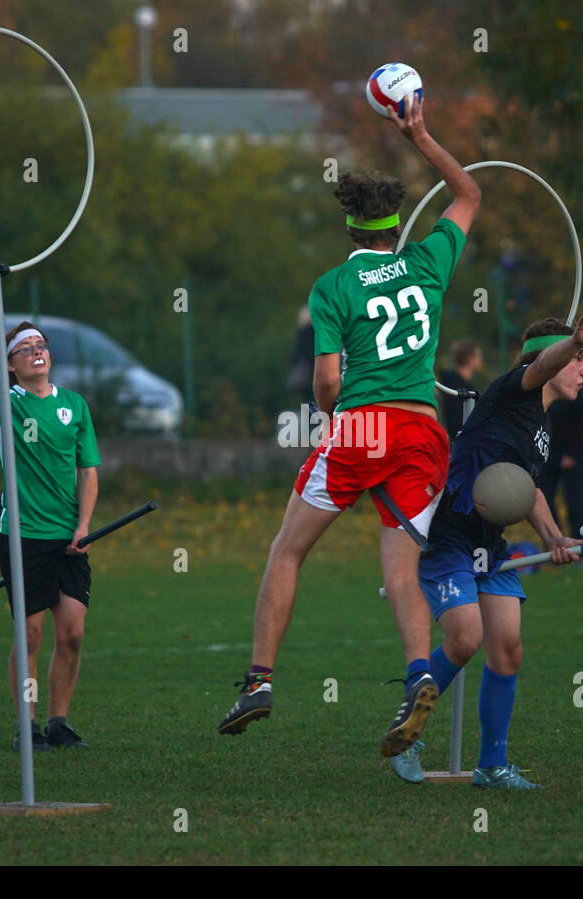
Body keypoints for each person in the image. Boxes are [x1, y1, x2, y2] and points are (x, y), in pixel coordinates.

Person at [216, 92, 481, 758]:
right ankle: (420, 673)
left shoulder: (334, 286)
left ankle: (259, 681)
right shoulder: (427, 262)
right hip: (425, 431)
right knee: (401, 564)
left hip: (363, 426)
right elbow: (470, 193)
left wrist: (334, 420)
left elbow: (327, 380)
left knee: (289, 548)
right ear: (397, 224)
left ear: (353, 230)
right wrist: (420, 134)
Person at [392, 309, 583, 788]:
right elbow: (537, 368)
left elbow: (528, 491)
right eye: (578, 358)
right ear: (551, 361)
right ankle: (407, 735)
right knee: (465, 637)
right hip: (450, 534)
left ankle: (491, 765)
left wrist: (553, 537)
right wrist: (571, 341)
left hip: (489, 545)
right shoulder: (512, 393)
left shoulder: (542, 426)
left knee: (508, 649)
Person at [0, 305, 101, 752]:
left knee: (72, 633)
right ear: (11, 364)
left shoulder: (74, 406)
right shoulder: (2, 403)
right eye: (25, 350)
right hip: (22, 536)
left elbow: (88, 469)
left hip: (69, 537)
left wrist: (84, 526)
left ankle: (58, 722)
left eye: (41, 347)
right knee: (30, 635)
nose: (36, 353)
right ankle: (27, 726)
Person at [540, 376, 583, 546]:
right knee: (545, 499)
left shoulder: (579, 388)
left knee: (574, 501)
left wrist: (572, 454)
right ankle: (554, 544)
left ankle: (581, 545)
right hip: (547, 454)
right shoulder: (544, 386)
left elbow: (582, 424)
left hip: (572, 456)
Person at [438, 339, 484, 439]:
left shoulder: (467, 385)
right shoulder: (451, 382)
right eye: (477, 356)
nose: (480, 360)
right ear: (469, 358)